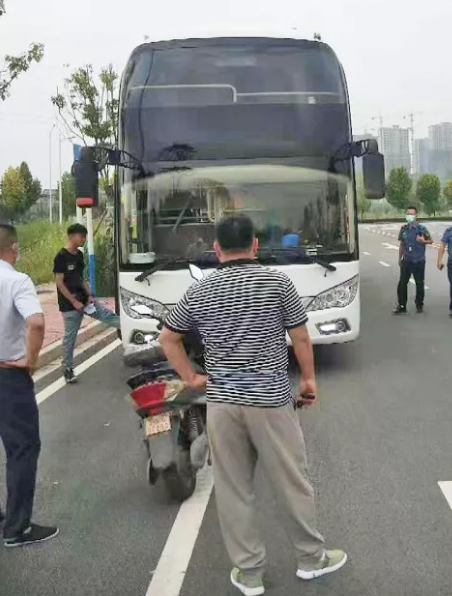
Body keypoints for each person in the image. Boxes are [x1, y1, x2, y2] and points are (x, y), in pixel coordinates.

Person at [158, 214, 346, 596]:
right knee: (292, 481)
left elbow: (168, 338)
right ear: (255, 245)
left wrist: (193, 378)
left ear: (217, 249)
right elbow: (301, 338)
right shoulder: (278, 282)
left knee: (233, 488)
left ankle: (249, 574)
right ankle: (311, 559)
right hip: (271, 401)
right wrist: (309, 380)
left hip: (223, 403)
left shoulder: (201, 290)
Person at [0, 223, 59, 547]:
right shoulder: (15, 280)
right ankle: (16, 528)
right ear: (13, 248)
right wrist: (31, 360)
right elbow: (36, 322)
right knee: (21, 448)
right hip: (7, 375)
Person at [53, 223, 119, 384]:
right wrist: (74, 301)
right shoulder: (61, 257)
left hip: (85, 300)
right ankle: (67, 369)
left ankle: (140, 331)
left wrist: (89, 295)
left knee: (110, 317)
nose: (84, 239)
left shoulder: (79, 255)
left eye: (85, 236)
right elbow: (59, 283)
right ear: (72, 236)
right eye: (81, 236)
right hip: (70, 306)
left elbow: (80, 278)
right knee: (70, 338)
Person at [393, 206, 433, 314]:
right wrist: (399, 258)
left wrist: (422, 241)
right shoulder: (404, 229)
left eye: (412, 214)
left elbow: (431, 241)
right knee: (402, 283)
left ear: (416, 216)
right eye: (408, 214)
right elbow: (402, 244)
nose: (410, 216)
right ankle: (402, 306)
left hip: (419, 260)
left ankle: (419, 305)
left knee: (419, 284)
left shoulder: (421, 229)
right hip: (407, 260)